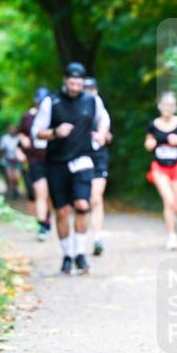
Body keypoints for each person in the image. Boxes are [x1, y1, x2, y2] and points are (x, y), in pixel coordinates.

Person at [31, 62, 111, 275]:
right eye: (72, 82)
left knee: (83, 205)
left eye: (79, 83)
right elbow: (37, 131)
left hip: (83, 160)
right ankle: (67, 255)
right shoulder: (51, 102)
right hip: (57, 162)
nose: (75, 87)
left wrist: (102, 134)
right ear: (65, 81)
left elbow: (104, 120)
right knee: (63, 211)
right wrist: (55, 132)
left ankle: (80, 253)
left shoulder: (92, 100)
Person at [144, 91, 177, 251]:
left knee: (176, 205)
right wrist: (150, 144)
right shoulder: (153, 124)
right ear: (159, 105)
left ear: (175, 107)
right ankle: (172, 237)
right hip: (159, 168)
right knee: (169, 201)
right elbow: (147, 143)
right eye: (165, 104)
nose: (168, 107)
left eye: (171, 105)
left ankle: (175, 220)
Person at [18, 87, 53, 240]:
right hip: (35, 159)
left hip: (52, 159)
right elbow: (20, 133)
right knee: (40, 192)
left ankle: (47, 217)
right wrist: (23, 140)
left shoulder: (55, 115)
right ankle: (42, 225)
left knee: (50, 194)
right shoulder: (28, 117)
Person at [84, 77, 112, 256]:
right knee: (82, 200)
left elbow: (105, 129)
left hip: (98, 156)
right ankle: (78, 239)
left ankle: (97, 238)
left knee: (96, 197)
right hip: (79, 156)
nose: (90, 92)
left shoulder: (99, 107)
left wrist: (102, 135)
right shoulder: (74, 107)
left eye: (92, 89)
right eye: (86, 89)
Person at [0, 124, 26, 201]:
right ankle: (11, 190)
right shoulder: (4, 138)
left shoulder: (19, 138)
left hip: (17, 161)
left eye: (14, 129)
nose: (12, 130)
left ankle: (15, 189)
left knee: (17, 177)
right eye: (11, 129)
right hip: (7, 160)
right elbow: (1, 149)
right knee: (9, 177)